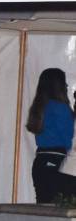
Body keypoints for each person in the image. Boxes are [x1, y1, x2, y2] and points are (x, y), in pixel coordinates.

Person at [26, 68, 74, 203]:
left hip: (40, 161)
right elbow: (68, 137)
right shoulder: (60, 108)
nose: (66, 86)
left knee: (44, 206)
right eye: (64, 83)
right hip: (57, 160)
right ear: (58, 86)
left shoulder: (39, 108)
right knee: (63, 206)